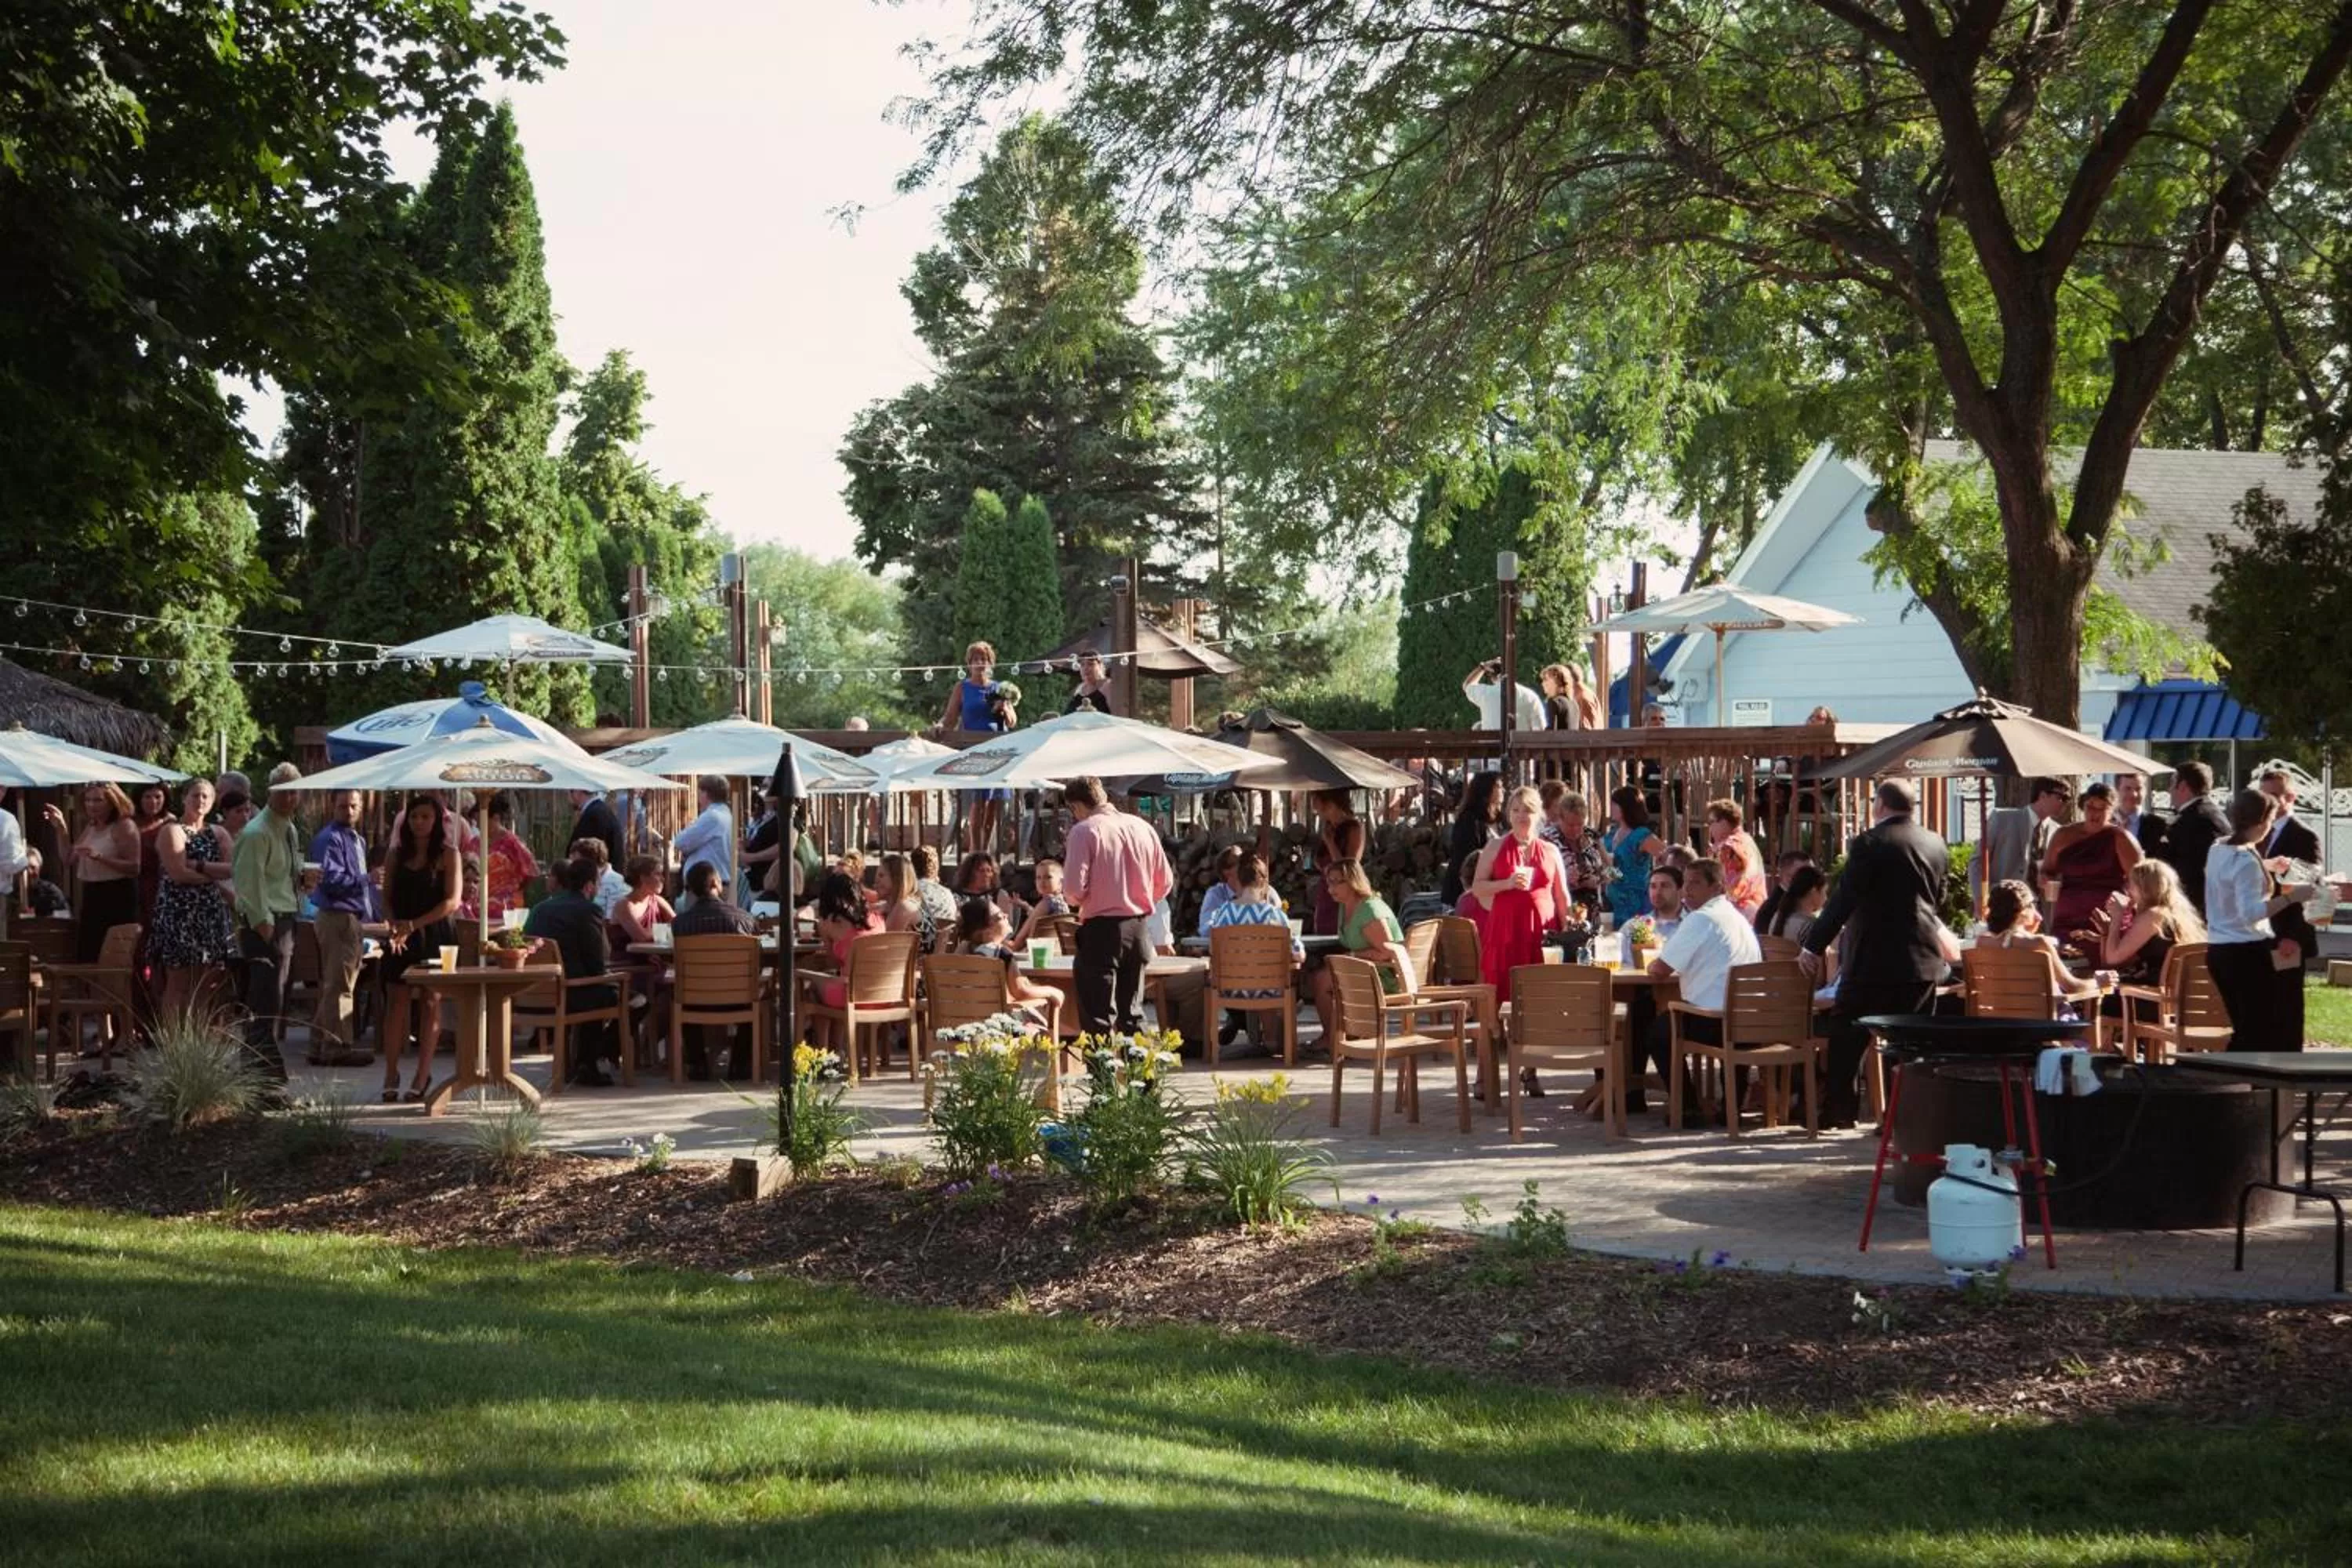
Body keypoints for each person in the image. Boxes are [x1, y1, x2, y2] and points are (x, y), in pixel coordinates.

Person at [1802, 779, 1951, 1127]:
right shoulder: (1935, 842)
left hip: (1872, 957)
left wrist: (1813, 944)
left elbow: (1844, 899)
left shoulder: (1869, 843)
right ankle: (1902, 1118)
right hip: (1921, 959)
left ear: (1880, 805)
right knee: (1909, 1044)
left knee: (1847, 1036)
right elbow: (1939, 898)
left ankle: (1839, 1112)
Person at [1637, 858, 1762, 1116]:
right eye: (1686, 882)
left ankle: (1688, 1107)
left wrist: (1650, 964)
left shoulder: (1701, 918)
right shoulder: (1736, 918)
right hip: (1751, 1019)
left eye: (1695, 883)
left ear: (1716, 888)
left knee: (1658, 1033)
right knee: (1670, 1023)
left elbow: (1660, 970)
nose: (1687, 889)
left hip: (1716, 1020)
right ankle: (1731, 1107)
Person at [1062, 775, 1172, 1034]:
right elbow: (1164, 882)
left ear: (1075, 806)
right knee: (1132, 1013)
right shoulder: (1143, 827)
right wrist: (1139, 896)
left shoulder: (1084, 831)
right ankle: (1141, 1074)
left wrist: (1085, 899)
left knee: (1098, 1016)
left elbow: (1073, 890)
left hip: (1102, 929)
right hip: (1138, 927)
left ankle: (1103, 1074)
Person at [2205, 788, 2314, 1051]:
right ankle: (2245, 1087)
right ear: (2263, 821)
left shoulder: (2218, 849)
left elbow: (2230, 875)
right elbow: (2251, 913)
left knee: (2245, 1026)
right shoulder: (2245, 861)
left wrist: (2266, 865)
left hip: (2219, 948)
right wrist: (2292, 897)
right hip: (2247, 951)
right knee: (2257, 1030)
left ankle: (2238, 1084)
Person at [380, 796, 463, 1103]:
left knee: (431, 1002)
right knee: (396, 1001)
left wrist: (415, 925)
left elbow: (452, 901)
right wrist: (394, 925)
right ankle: (391, 1072)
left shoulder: (448, 854)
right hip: (400, 934)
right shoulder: (396, 854)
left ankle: (422, 1073)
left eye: (425, 817)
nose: (419, 822)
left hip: (435, 932)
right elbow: (385, 897)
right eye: (414, 816)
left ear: (437, 820)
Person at [230, 764, 308, 1081]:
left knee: (273, 1001)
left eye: (295, 791)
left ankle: (260, 1072)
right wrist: (264, 924)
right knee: (264, 1001)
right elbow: (249, 884)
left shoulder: (288, 828)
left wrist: (303, 879)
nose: (291, 798)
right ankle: (261, 1074)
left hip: (287, 918)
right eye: (284, 791)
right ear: (270, 792)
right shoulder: (256, 832)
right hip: (267, 923)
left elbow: (280, 875)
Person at [521, 856, 621, 1086]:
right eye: (597, 883)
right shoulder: (589, 910)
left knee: (595, 989)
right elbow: (596, 966)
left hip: (532, 993)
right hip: (570, 995)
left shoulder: (539, 909)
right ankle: (589, 1062)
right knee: (620, 996)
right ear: (589, 886)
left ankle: (582, 1060)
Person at [1467, 784, 1570, 1004]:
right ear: (1508, 814)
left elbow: (1561, 894)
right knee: (1504, 985)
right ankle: (1501, 1034)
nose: (1521, 816)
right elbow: (1477, 888)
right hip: (1507, 927)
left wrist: (1568, 925)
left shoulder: (1550, 850)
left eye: (1528, 810)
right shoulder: (1495, 846)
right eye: (1516, 810)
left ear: (1538, 814)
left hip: (1543, 929)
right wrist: (1507, 883)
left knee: (1543, 989)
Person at [1202, 851, 1305, 1057]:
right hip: (1268, 988)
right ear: (1264, 883)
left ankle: (1211, 1051)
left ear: (1238, 880)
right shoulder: (1275, 915)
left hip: (1229, 989)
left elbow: (1213, 947)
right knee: (1282, 982)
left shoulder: (1222, 913)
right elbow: (1298, 954)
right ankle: (1275, 1042)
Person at [150, 778, 237, 1018]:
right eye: (195, 795)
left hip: (209, 912)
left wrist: (197, 865)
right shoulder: (172, 830)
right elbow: (178, 873)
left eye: (206, 796)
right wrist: (211, 876)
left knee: (205, 981)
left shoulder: (218, 832)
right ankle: (173, 1042)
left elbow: (232, 868)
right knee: (178, 981)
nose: (200, 801)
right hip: (178, 913)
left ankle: (198, 1040)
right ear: (184, 799)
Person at [1306, 857, 1413, 1031]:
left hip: (1386, 976)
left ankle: (1332, 1038)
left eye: (1336, 882)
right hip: (1366, 970)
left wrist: (1353, 956)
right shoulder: (1345, 905)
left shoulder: (1369, 910)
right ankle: (1346, 1033)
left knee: (1322, 980)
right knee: (1318, 976)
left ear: (1352, 882)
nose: (1330, 888)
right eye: (1328, 882)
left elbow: (1388, 953)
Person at [307, 789, 373, 1066]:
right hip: (336, 915)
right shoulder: (330, 839)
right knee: (340, 986)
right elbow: (330, 880)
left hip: (351, 917)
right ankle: (337, 1047)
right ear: (333, 807)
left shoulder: (356, 839)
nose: (348, 811)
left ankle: (319, 1043)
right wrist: (366, 879)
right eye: (343, 806)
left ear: (360, 808)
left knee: (340, 983)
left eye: (353, 806)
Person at [46, 782, 139, 962]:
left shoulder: (125, 826)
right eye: (88, 800)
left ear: (112, 802)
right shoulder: (92, 826)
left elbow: (134, 867)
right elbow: (68, 859)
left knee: (115, 956)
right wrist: (61, 828)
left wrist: (101, 857)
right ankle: (89, 990)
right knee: (88, 952)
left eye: (98, 800)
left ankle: (112, 990)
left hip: (118, 893)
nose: (92, 805)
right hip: (92, 892)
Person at [1979, 880, 2101, 1014]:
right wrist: (2099, 981)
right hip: (2043, 1026)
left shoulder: (1983, 942)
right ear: (2021, 911)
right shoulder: (2039, 943)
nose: (2035, 909)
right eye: (2032, 904)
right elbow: (2072, 986)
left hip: (1999, 1022)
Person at [2042, 780, 2141, 942]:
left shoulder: (2121, 839)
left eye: (2101, 808)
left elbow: (2140, 882)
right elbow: (2047, 870)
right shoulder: (2063, 835)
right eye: (2090, 806)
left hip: (2105, 920)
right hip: (2067, 918)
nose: (2094, 813)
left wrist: (2128, 908)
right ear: (2083, 806)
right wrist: (2045, 879)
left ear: (2112, 810)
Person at [939, 640, 1013, 851]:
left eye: (984, 659)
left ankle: (985, 850)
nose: (980, 663)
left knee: (994, 802)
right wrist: (939, 726)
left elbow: (1013, 721)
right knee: (978, 801)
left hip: (999, 749)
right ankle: (975, 850)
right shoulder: (962, 688)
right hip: (974, 750)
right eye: (976, 660)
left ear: (990, 664)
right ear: (969, 664)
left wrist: (1004, 709)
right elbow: (950, 718)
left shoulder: (999, 688)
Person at [2257, 768, 2321, 998]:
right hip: (2258, 934)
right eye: (2263, 797)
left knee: (2287, 1005)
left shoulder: (2303, 836)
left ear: (2290, 797)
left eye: (2274, 796)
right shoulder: (2258, 835)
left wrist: (2294, 936)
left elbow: (2307, 891)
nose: (2268, 803)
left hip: (2286, 937)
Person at [2092, 858, 2205, 989]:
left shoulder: (2153, 916)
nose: (2127, 889)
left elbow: (2113, 959)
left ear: (2144, 888)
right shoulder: (2172, 913)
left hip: (2156, 997)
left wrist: (2117, 916)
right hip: (2172, 994)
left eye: (2131, 884)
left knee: (2090, 997)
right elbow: (2113, 965)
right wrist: (2106, 933)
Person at [955, 896, 1065, 1025]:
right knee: (1039, 1021)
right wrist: (1052, 991)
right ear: (987, 932)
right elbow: (1021, 991)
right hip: (998, 1026)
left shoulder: (960, 953)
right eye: (1000, 916)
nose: (1006, 915)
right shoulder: (1001, 955)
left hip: (961, 1023)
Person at [1974, 776, 2073, 908]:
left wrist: (2050, 879)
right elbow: (1977, 861)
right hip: (2002, 907)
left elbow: (2059, 872)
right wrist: (1980, 897)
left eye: (2068, 799)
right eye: (2061, 797)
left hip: (2040, 909)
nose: (2064, 803)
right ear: (2043, 796)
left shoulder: (2058, 832)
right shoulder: (2003, 819)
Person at [2158, 760, 2230, 912]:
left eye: (2172, 784)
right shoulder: (2214, 814)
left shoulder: (2194, 820)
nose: (2169, 790)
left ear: (2183, 786)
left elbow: (2188, 869)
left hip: (2195, 906)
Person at [1440, 771, 1504, 909]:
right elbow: (1467, 857)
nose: (1502, 790)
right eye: (1498, 786)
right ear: (1486, 789)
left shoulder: (1500, 820)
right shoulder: (1469, 820)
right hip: (1464, 890)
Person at [1309, 789, 1367, 937]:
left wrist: (1330, 843)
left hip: (1344, 895)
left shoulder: (1354, 828)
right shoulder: (1329, 827)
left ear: (1328, 803)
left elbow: (1349, 867)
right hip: (1326, 892)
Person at [1601, 785, 1661, 924]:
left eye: (1614, 804)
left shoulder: (1641, 835)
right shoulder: (1611, 835)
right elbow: (1612, 872)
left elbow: (1666, 855)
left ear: (1626, 806)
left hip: (1636, 903)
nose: (1611, 807)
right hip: (1614, 904)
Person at [673, 775, 733, 906]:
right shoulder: (725, 815)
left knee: (698, 924)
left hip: (706, 887)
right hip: (715, 882)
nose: (699, 798)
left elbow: (681, 842)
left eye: (700, 792)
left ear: (706, 793)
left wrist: (692, 825)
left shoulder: (712, 816)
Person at [479, 793, 538, 924]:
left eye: (481, 820)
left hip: (508, 908)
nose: (478, 825)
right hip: (479, 907)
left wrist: (513, 890)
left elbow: (532, 872)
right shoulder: (476, 842)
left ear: (495, 818)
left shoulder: (512, 843)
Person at [1704, 799, 1768, 920]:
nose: (1710, 827)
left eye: (1712, 822)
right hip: (1756, 911)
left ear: (1724, 821)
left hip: (1736, 913)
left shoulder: (1728, 848)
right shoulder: (1747, 840)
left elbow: (1724, 889)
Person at [673, 861, 757, 938]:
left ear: (691, 889)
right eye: (722, 881)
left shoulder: (680, 926)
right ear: (715, 883)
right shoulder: (746, 921)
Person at [1461, 659, 1545, 732]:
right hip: (1521, 748)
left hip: (1493, 748)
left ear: (1492, 676)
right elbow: (1540, 728)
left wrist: (1483, 667)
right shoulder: (1530, 696)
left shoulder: (1486, 694)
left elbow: (1467, 685)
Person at [877, 851, 937, 953]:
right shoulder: (911, 900)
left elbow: (883, 945)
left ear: (897, 878)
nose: (876, 881)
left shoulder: (904, 907)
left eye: (881, 876)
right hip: (909, 963)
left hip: (913, 966)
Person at [1011, 856, 1070, 947]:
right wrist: (1026, 906)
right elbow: (1040, 917)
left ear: (1061, 882)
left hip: (1038, 952)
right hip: (1057, 951)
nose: (1042, 881)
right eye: (1038, 878)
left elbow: (1021, 938)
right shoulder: (1061, 903)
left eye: (1048, 877)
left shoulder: (1046, 902)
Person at [1753, 851, 1816, 935]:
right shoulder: (1780, 907)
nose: (1813, 880)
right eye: (1806, 876)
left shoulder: (1778, 902)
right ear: (1785, 876)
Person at [1765, 865, 1828, 946]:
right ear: (1813, 891)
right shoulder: (1810, 927)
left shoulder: (1776, 917)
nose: (1826, 898)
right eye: (1824, 892)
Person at [570, 837, 630, 917]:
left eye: (577, 863)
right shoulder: (576, 881)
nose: (573, 868)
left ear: (592, 862)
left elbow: (612, 922)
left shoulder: (618, 885)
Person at [910, 844, 960, 938]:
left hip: (918, 946)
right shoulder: (947, 893)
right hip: (945, 945)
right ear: (936, 868)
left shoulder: (909, 892)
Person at [1197, 844, 1244, 937]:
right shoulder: (1215, 895)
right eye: (1239, 862)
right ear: (1226, 872)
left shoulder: (1266, 892)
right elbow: (1206, 930)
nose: (1245, 865)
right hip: (1227, 949)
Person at [2114, 772, 2167, 855]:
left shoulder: (2158, 825)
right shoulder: (2105, 822)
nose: (2134, 794)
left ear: (2145, 791)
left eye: (2138, 789)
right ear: (2117, 790)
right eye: (2128, 789)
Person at [568, 790, 622, 866]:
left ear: (578, 792)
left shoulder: (593, 815)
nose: (569, 799)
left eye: (569, 794)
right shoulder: (599, 809)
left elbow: (590, 852)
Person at [1065, 649, 1114, 714]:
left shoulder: (1108, 685)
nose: (1086, 668)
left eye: (1091, 664)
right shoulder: (1079, 688)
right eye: (1082, 665)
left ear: (1100, 666)